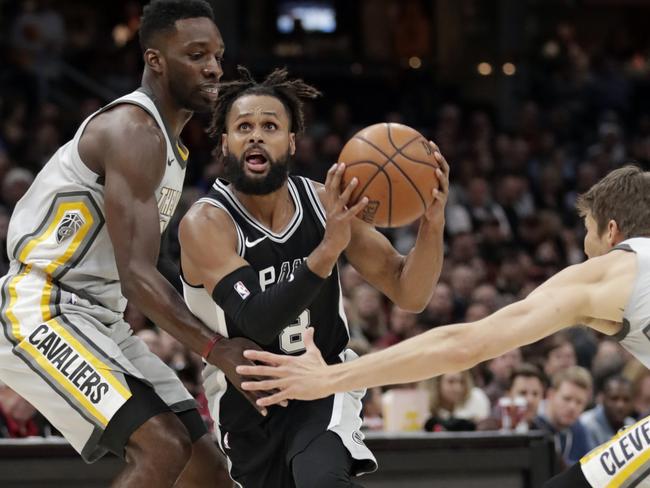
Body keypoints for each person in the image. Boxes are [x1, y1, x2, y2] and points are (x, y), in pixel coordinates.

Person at [238, 165, 650, 487]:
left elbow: (464, 346)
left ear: (611, 231)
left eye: (586, 232)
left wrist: (330, 378)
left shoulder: (616, 268)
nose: (584, 247)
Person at [0, 1, 265, 486]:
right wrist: (219, 349)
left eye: (218, 55)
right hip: (43, 306)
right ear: (155, 60)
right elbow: (139, 278)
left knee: (206, 471)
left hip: (99, 317)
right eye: (196, 54)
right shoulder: (134, 130)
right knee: (161, 446)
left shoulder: (170, 142)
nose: (213, 67)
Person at [178, 66, 449, 487]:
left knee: (321, 481)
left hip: (322, 383)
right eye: (243, 126)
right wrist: (327, 250)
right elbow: (253, 319)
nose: (255, 135)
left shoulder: (326, 203)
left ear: (291, 141)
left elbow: (410, 292)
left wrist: (432, 223)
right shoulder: (206, 223)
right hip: (247, 405)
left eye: (270, 125)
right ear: (224, 143)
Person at [535, 367, 593, 466]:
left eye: (579, 402)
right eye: (567, 399)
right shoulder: (532, 423)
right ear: (551, 395)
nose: (572, 407)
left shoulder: (579, 429)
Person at [580, 375, 635, 447]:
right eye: (614, 398)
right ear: (603, 399)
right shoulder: (585, 424)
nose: (620, 405)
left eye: (626, 400)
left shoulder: (632, 426)